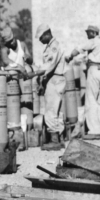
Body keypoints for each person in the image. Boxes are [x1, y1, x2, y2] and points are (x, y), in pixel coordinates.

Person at [65, 25, 100, 139]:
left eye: (89, 32)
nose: (87, 34)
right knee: (98, 101)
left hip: (94, 71)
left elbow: (79, 48)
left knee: (90, 101)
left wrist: (70, 56)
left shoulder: (94, 41)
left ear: (94, 33)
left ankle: (94, 131)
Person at [29, 23, 66, 151]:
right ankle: (58, 138)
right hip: (53, 79)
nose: (40, 41)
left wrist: (33, 73)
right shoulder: (50, 46)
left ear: (46, 34)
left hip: (54, 79)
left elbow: (49, 65)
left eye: (41, 38)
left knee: (51, 109)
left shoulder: (54, 47)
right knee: (56, 110)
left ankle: (54, 139)